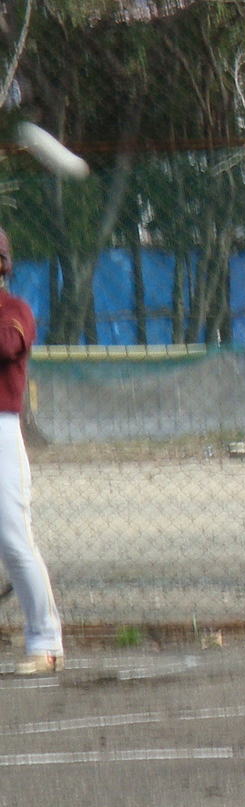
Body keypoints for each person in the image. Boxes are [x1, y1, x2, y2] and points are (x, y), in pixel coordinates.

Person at [0, 227, 64, 676]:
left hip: (1, 432)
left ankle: (46, 643)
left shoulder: (15, 311)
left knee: (15, 542)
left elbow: (7, 345)